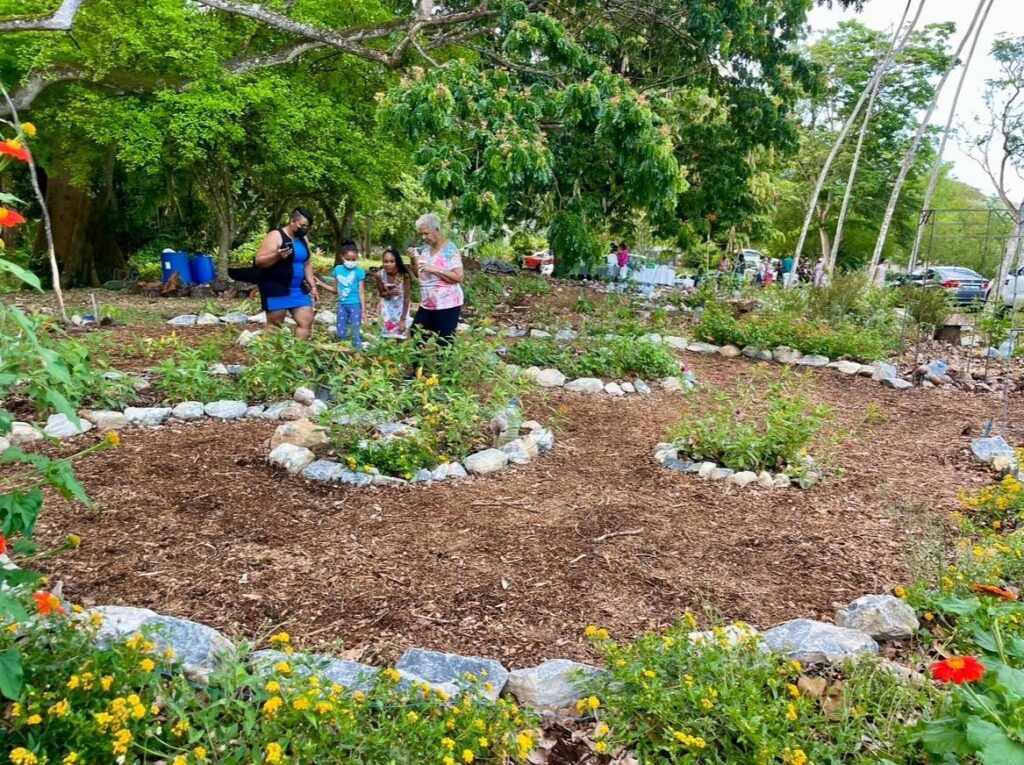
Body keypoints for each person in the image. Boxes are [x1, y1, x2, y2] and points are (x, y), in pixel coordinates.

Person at [231, 207, 318, 339]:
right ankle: (270, 358)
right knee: (275, 324)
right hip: (275, 287)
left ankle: (298, 354)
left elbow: (307, 262)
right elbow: (259, 261)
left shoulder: (302, 239)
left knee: (306, 320)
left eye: (307, 227)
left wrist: (312, 285)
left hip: (297, 288)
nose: (304, 229)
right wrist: (277, 255)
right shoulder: (275, 236)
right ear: (292, 221)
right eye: (302, 226)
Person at [406, 213, 464, 346]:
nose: (423, 237)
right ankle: (420, 367)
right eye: (421, 234)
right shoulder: (426, 251)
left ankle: (443, 367)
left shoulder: (450, 249)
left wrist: (435, 269)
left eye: (426, 233)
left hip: (447, 303)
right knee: (417, 335)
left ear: (436, 230)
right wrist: (413, 258)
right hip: (428, 303)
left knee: (444, 342)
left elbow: (459, 277)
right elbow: (418, 273)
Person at [318, 241, 365, 349]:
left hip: (355, 304)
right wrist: (321, 283)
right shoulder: (337, 270)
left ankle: (357, 352)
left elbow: (361, 292)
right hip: (342, 305)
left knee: (355, 329)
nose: (351, 261)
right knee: (341, 329)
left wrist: (364, 311)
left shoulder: (359, 272)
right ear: (342, 257)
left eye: (354, 259)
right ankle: (341, 351)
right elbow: (335, 289)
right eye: (348, 259)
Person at [377, 246, 411, 339]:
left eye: (392, 261)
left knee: (401, 335)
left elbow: (407, 298)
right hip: (387, 308)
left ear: (397, 262)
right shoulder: (380, 275)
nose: (388, 264)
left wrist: (403, 319)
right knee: (387, 336)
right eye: (386, 261)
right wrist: (390, 292)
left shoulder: (404, 275)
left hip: (401, 308)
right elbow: (381, 294)